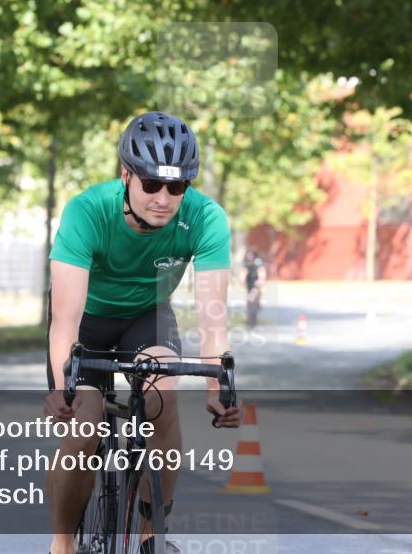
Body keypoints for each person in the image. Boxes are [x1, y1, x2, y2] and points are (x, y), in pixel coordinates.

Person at [43, 111, 243, 554]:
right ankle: (63, 543)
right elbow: (65, 320)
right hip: (87, 320)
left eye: (177, 187)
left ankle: (154, 535)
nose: (163, 199)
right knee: (84, 425)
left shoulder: (206, 218)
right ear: (126, 176)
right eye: (151, 184)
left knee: (162, 394)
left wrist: (219, 388)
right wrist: (62, 387)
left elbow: (213, 320)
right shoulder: (87, 212)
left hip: (147, 314)